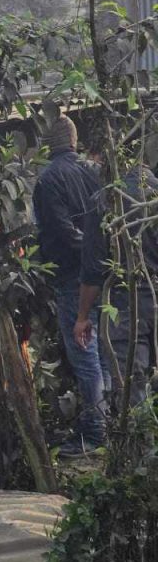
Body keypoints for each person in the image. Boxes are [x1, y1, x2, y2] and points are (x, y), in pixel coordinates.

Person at [32, 115, 107, 456]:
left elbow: (60, 230)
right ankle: (109, 423)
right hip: (104, 274)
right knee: (104, 352)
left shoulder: (48, 179)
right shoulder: (94, 172)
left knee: (85, 354)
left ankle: (93, 433)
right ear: (75, 142)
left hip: (71, 277)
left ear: (50, 143)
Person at [75, 163, 158, 415]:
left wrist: (82, 317)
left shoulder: (104, 200)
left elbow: (92, 271)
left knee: (132, 386)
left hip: (124, 303)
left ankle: (140, 447)